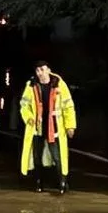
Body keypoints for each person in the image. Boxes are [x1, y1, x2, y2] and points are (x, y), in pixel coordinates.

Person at [19, 60, 77, 193]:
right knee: (37, 156)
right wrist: (28, 117)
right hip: (38, 127)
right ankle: (38, 182)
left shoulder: (59, 85)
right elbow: (24, 105)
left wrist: (70, 126)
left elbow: (68, 106)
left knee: (58, 156)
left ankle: (62, 181)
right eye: (38, 70)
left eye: (42, 69)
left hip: (55, 127)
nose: (40, 73)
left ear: (48, 70)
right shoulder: (31, 85)